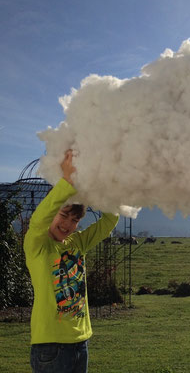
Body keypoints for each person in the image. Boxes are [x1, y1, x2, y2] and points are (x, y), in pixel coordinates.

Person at [24, 150, 119, 373]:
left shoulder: (78, 244)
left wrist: (95, 185)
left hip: (81, 342)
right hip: (51, 347)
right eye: (63, 215)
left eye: (75, 220)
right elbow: (38, 221)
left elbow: (110, 220)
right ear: (52, 214)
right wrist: (67, 181)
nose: (68, 224)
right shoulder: (37, 245)